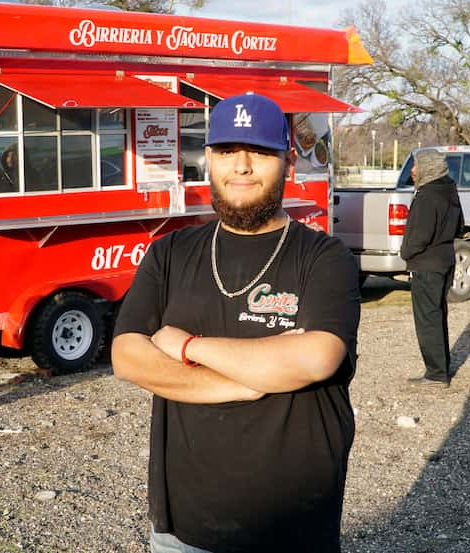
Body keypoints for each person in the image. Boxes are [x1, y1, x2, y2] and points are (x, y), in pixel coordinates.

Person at [110, 93, 361, 552]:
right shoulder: (170, 253)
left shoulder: (325, 258)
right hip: (183, 530)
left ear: (288, 163)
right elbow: (127, 356)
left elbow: (316, 357)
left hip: (293, 526)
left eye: (260, 151)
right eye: (227, 150)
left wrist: (188, 348)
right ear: (208, 159)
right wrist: (242, 381)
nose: (241, 166)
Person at [399, 149, 464, 386]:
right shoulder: (450, 190)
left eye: (416, 165)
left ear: (428, 167)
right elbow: (460, 226)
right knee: (437, 315)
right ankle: (441, 366)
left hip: (427, 264)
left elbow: (419, 235)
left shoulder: (427, 195)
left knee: (428, 319)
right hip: (445, 259)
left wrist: (405, 253)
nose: (413, 170)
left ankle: (436, 373)